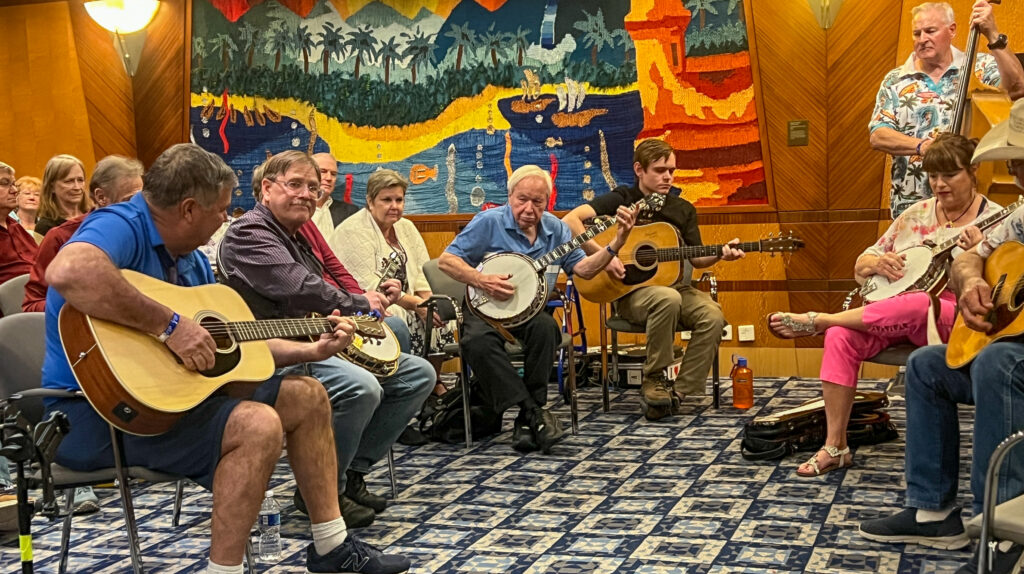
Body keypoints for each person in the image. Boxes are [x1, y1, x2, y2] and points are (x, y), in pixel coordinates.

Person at [40, 143, 410, 574]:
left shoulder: (193, 261)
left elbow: (238, 345)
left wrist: (312, 349)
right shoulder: (123, 223)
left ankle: (333, 547)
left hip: (179, 404)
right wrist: (170, 326)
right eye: (220, 209)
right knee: (257, 423)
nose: (226, 219)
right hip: (97, 415)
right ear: (189, 208)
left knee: (308, 396)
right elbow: (70, 272)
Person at [218, 150, 435, 528]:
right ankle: (322, 490)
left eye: (313, 188)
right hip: (268, 355)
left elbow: (329, 271)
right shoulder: (249, 232)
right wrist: (357, 302)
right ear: (266, 189)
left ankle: (351, 473)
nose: (306, 194)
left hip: (311, 340)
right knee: (362, 388)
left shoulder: (296, 229)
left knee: (419, 375)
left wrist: (365, 302)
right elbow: (299, 286)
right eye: (295, 185)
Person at [767, 133, 1003, 477]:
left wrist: (983, 251)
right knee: (840, 337)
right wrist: (876, 264)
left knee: (916, 302)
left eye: (949, 175)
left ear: (973, 171)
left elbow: (1002, 287)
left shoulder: (995, 219)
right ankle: (836, 447)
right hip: (892, 315)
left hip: (954, 320)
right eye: (933, 176)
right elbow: (862, 263)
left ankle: (820, 319)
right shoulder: (916, 213)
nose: (939, 184)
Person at [859, 101, 1024, 574]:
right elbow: (972, 257)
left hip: (1009, 363)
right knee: (927, 364)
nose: (1011, 169)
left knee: (997, 363)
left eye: (1019, 160)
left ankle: (1002, 528)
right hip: (1011, 351)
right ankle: (932, 511)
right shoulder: (1022, 215)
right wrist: (971, 280)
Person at [439, 164, 636, 453]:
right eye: (522, 200)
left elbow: (584, 269)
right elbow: (447, 261)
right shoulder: (488, 222)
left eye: (538, 201)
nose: (529, 208)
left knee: (548, 330)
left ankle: (526, 419)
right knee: (476, 343)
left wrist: (616, 243)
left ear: (547, 201)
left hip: (532, 312)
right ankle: (532, 412)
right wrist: (481, 279)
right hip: (486, 311)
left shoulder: (556, 229)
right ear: (510, 196)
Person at [563, 139, 743, 420]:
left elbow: (697, 260)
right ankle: (655, 379)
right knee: (665, 298)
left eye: (671, 170)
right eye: (660, 170)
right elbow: (571, 221)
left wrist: (721, 254)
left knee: (712, 314)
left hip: (679, 288)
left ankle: (676, 394)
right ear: (639, 169)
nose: (668, 177)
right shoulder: (621, 199)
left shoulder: (683, 210)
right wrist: (606, 256)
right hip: (631, 295)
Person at [869, 0, 1024, 216]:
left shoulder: (980, 67)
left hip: (972, 206)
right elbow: (878, 135)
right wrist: (922, 146)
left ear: (951, 30)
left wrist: (992, 35)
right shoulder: (895, 79)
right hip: (912, 207)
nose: (923, 39)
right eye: (917, 33)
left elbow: (1018, 88)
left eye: (930, 31)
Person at [330, 169, 455, 394]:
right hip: (370, 305)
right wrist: (415, 305)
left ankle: (433, 381)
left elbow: (421, 272)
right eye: (386, 200)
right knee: (404, 318)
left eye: (399, 200)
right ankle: (407, 384)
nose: (394, 206)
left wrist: (428, 302)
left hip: (407, 298)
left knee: (439, 314)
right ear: (370, 201)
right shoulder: (353, 231)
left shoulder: (405, 227)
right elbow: (366, 287)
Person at [23, 155, 144, 313]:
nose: (140, 209)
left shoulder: (145, 232)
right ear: (101, 197)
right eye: (129, 200)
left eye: (141, 199)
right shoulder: (60, 237)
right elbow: (33, 304)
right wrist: (80, 310)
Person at [0, 161, 37, 289]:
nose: (15, 190)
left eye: (14, 184)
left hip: (40, 294)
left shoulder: (15, 226)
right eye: (4, 183)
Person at [35, 154, 91, 236]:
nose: (77, 187)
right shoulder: (45, 227)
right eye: (69, 181)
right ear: (51, 187)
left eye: (80, 180)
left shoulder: (94, 215)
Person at [312, 152, 359, 239]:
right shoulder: (295, 210)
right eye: (323, 171)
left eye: (333, 174)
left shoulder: (350, 212)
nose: (329, 178)